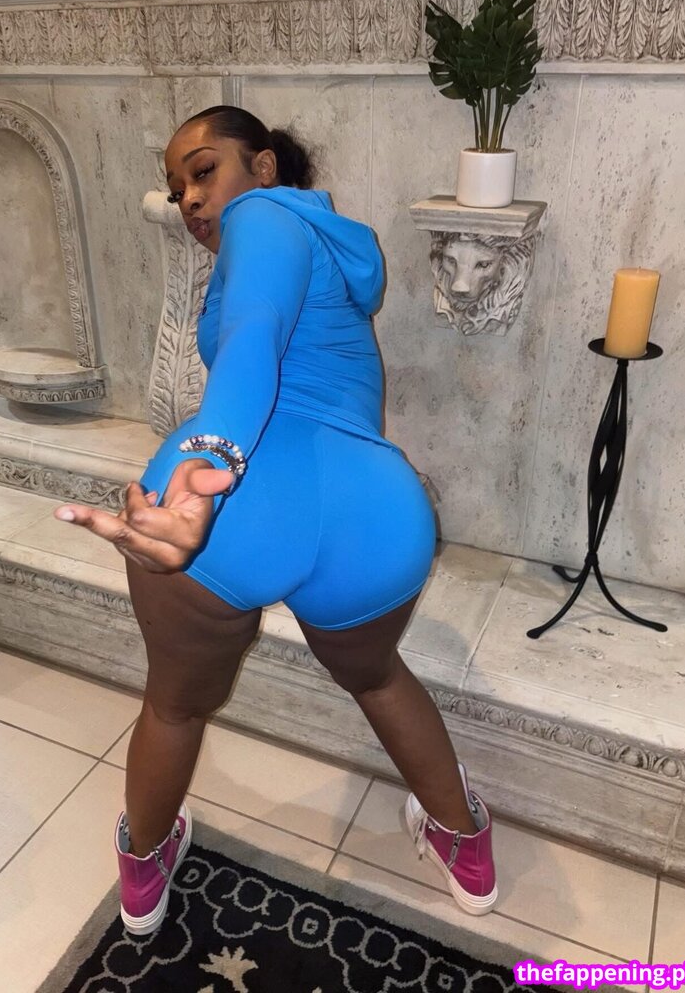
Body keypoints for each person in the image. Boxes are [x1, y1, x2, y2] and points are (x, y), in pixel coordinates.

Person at [55, 105, 497, 935]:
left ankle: (145, 867)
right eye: (176, 187)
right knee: (378, 677)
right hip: (374, 519)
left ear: (263, 167)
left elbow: (254, 337)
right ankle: (465, 846)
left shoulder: (262, 215)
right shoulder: (328, 248)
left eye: (202, 170)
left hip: (234, 507)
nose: (189, 198)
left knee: (176, 706)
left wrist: (209, 463)